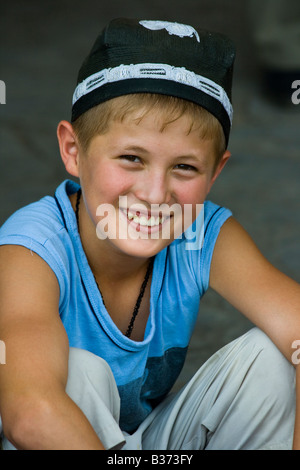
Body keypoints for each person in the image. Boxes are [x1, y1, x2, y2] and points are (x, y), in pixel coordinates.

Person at [0, 18, 299, 451]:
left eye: (185, 167)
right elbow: (30, 413)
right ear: (72, 151)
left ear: (215, 172)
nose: (155, 194)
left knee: (279, 359)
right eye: (131, 158)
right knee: (78, 372)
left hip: (138, 450)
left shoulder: (201, 234)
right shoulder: (33, 248)